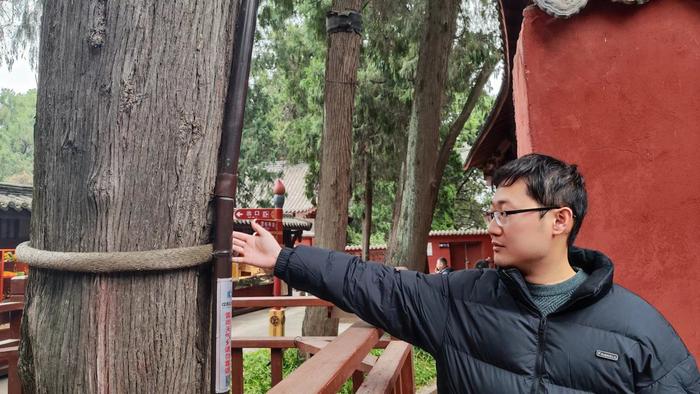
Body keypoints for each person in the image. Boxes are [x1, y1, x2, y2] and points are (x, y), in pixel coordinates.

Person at [232, 153, 700, 393]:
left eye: (505, 213)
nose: (491, 226)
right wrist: (286, 261)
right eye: (489, 211)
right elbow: (374, 284)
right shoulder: (459, 301)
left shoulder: (642, 334)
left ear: (559, 220)